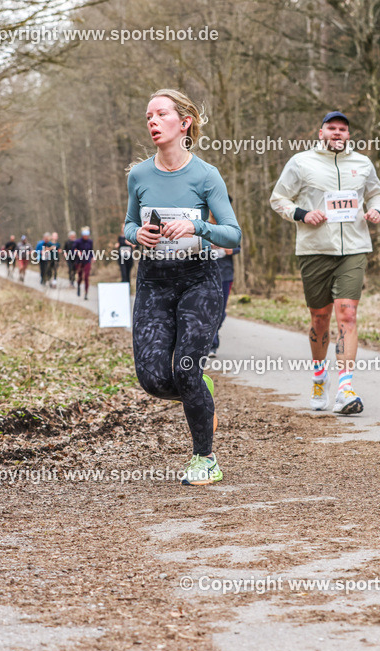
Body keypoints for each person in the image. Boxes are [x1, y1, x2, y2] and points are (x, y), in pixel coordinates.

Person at [124, 88, 241, 485]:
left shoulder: (206, 175)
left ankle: (205, 458)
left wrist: (198, 226)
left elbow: (232, 234)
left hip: (198, 278)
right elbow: (126, 225)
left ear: (184, 123)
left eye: (160, 115)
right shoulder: (139, 174)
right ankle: (199, 389)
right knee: (153, 378)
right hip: (154, 280)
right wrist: (136, 234)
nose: (152, 122)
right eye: (148, 117)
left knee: (185, 367)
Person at [270, 111, 380, 414]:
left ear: (349, 135)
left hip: (354, 248)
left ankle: (345, 388)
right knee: (320, 318)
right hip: (314, 249)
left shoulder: (362, 164)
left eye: (342, 129)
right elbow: (279, 198)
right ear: (320, 132)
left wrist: (376, 211)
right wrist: (302, 214)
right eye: (331, 128)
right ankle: (319, 377)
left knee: (347, 314)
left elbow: (376, 194)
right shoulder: (301, 162)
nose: (337, 133)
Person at [209, 243, 239, 358]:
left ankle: (213, 334)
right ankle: (212, 345)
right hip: (207, 274)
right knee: (209, 311)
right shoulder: (202, 225)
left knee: (220, 313)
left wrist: (230, 249)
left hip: (225, 275)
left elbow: (237, 247)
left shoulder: (228, 226)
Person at [76, 227, 95, 299]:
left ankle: (86, 293)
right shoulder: (78, 241)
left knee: (86, 276)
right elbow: (73, 249)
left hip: (87, 260)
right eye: (85, 235)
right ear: (82, 235)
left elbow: (91, 250)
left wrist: (93, 257)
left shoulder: (90, 241)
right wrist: (77, 252)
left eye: (87, 235)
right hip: (79, 261)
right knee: (80, 276)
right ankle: (78, 285)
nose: (86, 236)